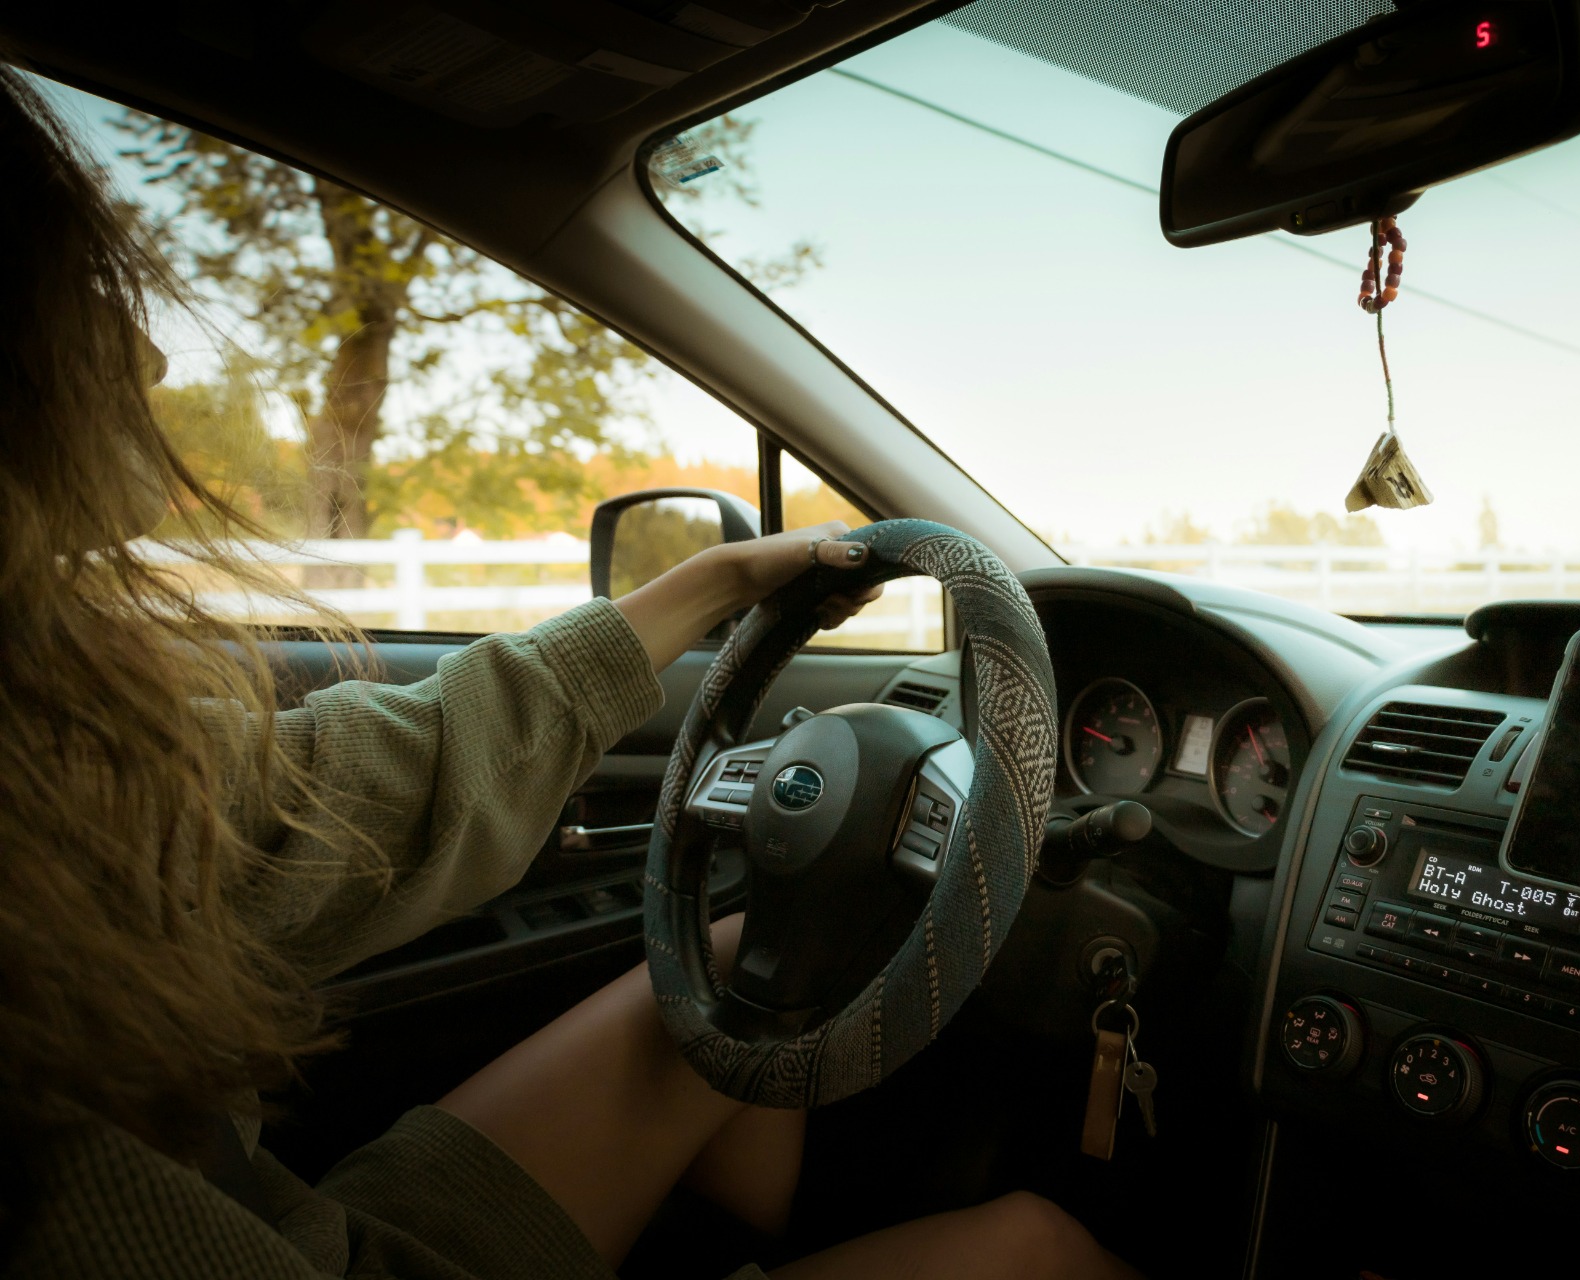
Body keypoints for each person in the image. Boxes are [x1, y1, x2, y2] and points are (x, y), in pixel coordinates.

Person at [0, 66, 1141, 1280]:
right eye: (89, 294)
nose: (147, 358)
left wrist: (706, 585)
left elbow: (322, 796)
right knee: (1039, 1245)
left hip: (268, 1223)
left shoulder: (37, 736)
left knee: (739, 962)